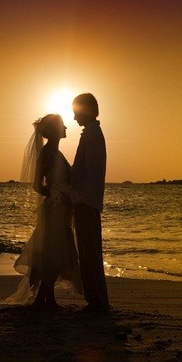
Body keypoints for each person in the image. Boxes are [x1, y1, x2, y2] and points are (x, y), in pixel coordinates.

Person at [2, 114, 81, 310]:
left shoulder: (57, 153)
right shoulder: (46, 153)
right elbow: (38, 185)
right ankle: (43, 300)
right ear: (54, 130)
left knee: (55, 253)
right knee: (54, 252)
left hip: (62, 209)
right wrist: (54, 193)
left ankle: (45, 300)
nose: (66, 128)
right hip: (54, 210)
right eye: (62, 125)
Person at [71, 93, 109, 313]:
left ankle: (98, 303)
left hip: (87, 201)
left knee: (90, 251)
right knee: (88, 250)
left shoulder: (92, 135)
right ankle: (96, 300)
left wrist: (73, 187)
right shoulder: (91, 133)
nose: (74, 118)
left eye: (76, 112)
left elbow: (91, 172)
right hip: (87, 200)